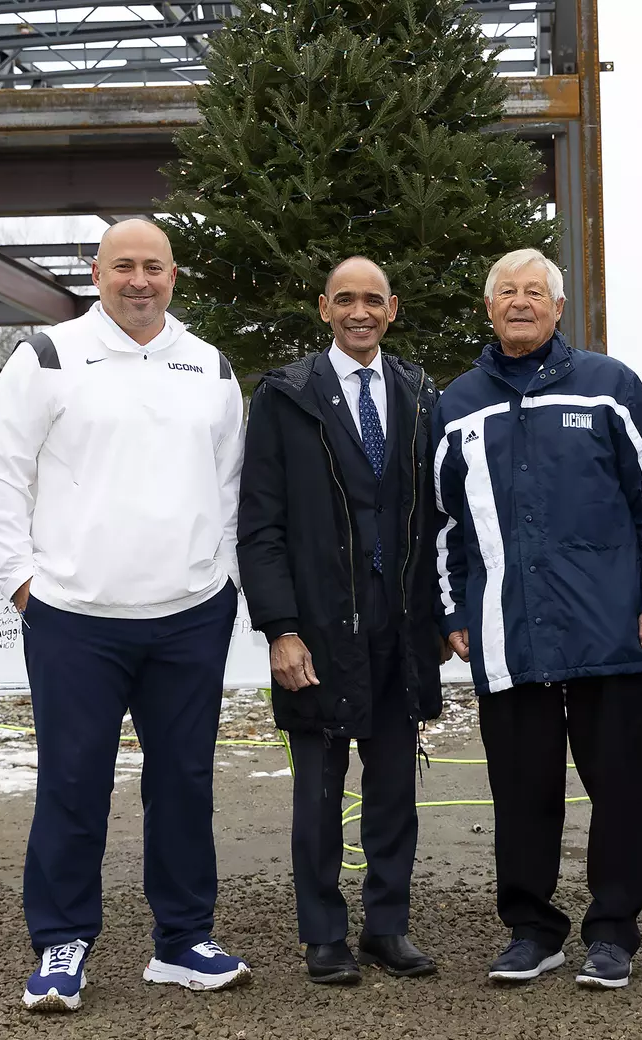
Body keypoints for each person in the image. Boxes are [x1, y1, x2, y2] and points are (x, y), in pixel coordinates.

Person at [0, 217, 249, 1012]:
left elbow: (231, 489)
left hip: (189, 614)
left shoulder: (211, 367)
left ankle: (182, 939)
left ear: (174, 276)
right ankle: (62, 943)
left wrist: (222, 584)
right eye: (123, 266)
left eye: (154, 267)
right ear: (95, 273)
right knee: (71, 781)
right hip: (74, 617)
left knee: (184, 782)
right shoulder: (48, 357)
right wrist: (23, 583)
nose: (139, 280)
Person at [435, 248, 642, 991]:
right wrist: (453, 608)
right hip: (508, 635)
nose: (519, 302)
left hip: (609, 631)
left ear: (557, 307)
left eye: (534, 291)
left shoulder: (608, 388)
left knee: (620, 787)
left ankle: (612, 931)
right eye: (506, 291)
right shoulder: (457, 403)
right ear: (488, 308)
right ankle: (531, 928)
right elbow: (445, 524)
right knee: (522, 790)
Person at [237, 256, 444, 985]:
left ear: (393, 311)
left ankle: (387, 928)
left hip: (401, 630)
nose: (360, 312)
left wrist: (440, 617)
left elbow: (438, 515)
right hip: (318, 631)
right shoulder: (285, 397)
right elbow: (259, 525)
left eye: (374, 301)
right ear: (324, 309)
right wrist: (280, 629)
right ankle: (322, 933)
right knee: (320, 792)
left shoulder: (420, 395)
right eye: (346, 300)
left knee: (395, 791)